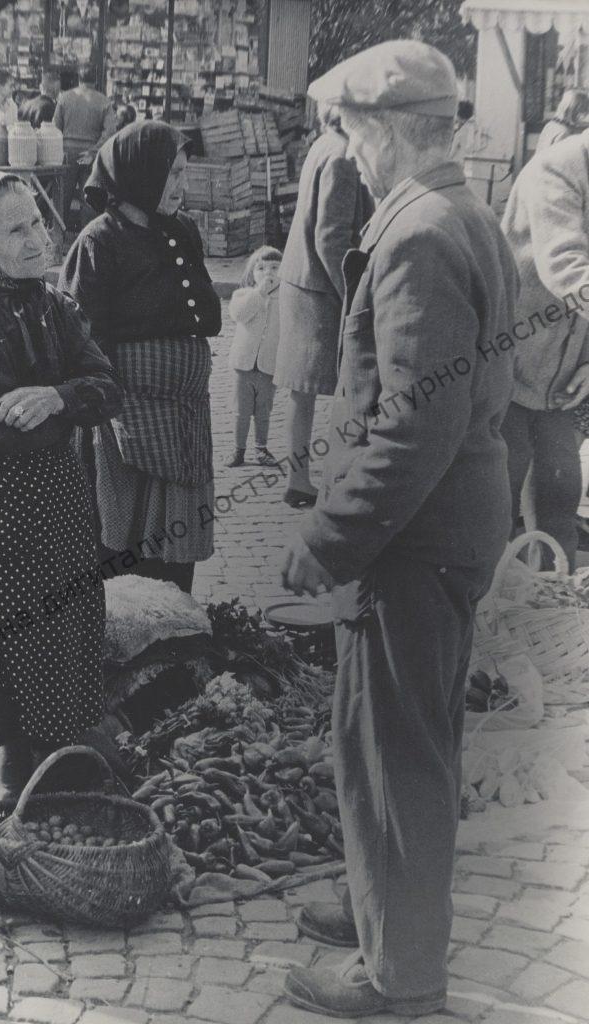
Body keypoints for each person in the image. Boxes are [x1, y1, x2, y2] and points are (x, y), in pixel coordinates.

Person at [280, 40, 518, 1018]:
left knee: (396, 748)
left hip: (416, 535)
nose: (344, 151)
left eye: (349, 132)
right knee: (388, 731)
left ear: (387, 130)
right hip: (447, 524)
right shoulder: (460, 211)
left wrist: (325, 538)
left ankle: (401, 972)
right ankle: (379, 905)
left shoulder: (418, 232)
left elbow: (415, 427)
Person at [0, 171, 123, 829]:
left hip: (57, 516)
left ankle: (25, 793)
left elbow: (107, 386)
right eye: (16, 229)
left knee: (51, 657)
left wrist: (57, 396)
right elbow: (2, 430)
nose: (39, 239)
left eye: (37, 221)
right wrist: (68, 401)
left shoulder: (50, 304)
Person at [59, 121, 222, 595]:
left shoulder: (181, 231)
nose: (182, 186)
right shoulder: (100, 241)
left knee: (176, 543)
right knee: (125, 544)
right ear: (141, 174)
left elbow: (205, 312)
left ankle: (176, 625)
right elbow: (80, 339)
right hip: (128, 423)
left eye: (184, 173)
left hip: (185, 421)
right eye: (174, 174)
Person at [500, 129, 589, 571]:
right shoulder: (558, 169)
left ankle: (549, 601)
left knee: (559, 498)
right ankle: (486, 602)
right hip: (508, 370)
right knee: (497, 501)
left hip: (561, 379)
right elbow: (565, 266)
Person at [274, 105, 372, 509]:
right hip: (321, 289)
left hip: (301, 278)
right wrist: (352, 294)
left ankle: (299, 479)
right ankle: (331, 479)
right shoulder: (343, 156)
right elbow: (331, 238)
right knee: (345, 386)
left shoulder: (323, 144)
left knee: (302, 390)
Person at [226, 245, 282, 468]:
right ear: (252, 274)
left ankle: (261, 448)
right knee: (241, 411)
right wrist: (260, 292)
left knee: (263, 411)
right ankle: (238, 450)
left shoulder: (285, 298)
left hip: (269, 365)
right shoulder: (244, 295)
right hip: (244, 365)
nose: (268, 273)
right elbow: (239, 314)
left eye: (275, 268)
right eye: (261, 268)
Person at [53, 65, 116, 229]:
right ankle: (87, 236)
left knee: (62, 197)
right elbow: (110, 132)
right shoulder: (104, 101)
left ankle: (57, 235)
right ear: (96, 81)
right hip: (90, 155)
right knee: (89, 198)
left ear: (78, 80)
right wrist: (93, 152)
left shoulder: (64, 98)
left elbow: (55, 129)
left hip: (66, 153)